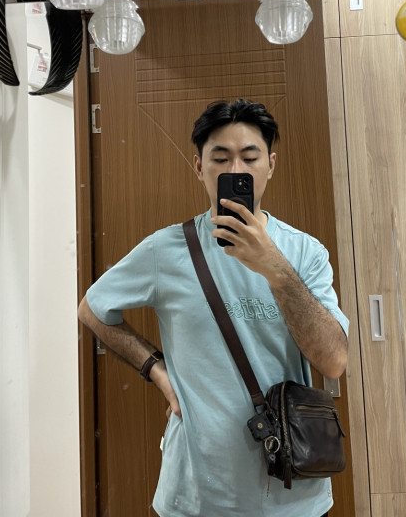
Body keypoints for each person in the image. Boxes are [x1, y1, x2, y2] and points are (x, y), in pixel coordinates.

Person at [78, 99, 349, 517]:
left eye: (250, 158)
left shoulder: (304, 252)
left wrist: (273, 267)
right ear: (199, 166)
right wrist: (156, 370)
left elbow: (332, 361)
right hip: (196, 495)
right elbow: (92, 309)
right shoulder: (166, 250)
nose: (235, 170)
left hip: (294, 494)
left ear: (271, 165)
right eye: (220, 158)